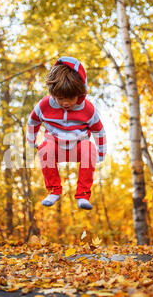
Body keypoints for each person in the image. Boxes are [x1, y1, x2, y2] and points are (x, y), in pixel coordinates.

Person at [26, 56, 106, 210]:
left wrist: (101, 153)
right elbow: (32, 122)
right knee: (44, 148)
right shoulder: (44, 105)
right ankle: (54, 191)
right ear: (52, 93)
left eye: (71, 98)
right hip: (55, 145)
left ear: (80, 93)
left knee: (89, 148)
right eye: (60, 98)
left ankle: (83, 195)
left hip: (78, 146)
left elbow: (99, 131)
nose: (65, 103)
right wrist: (31, 142)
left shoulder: (87, 109)